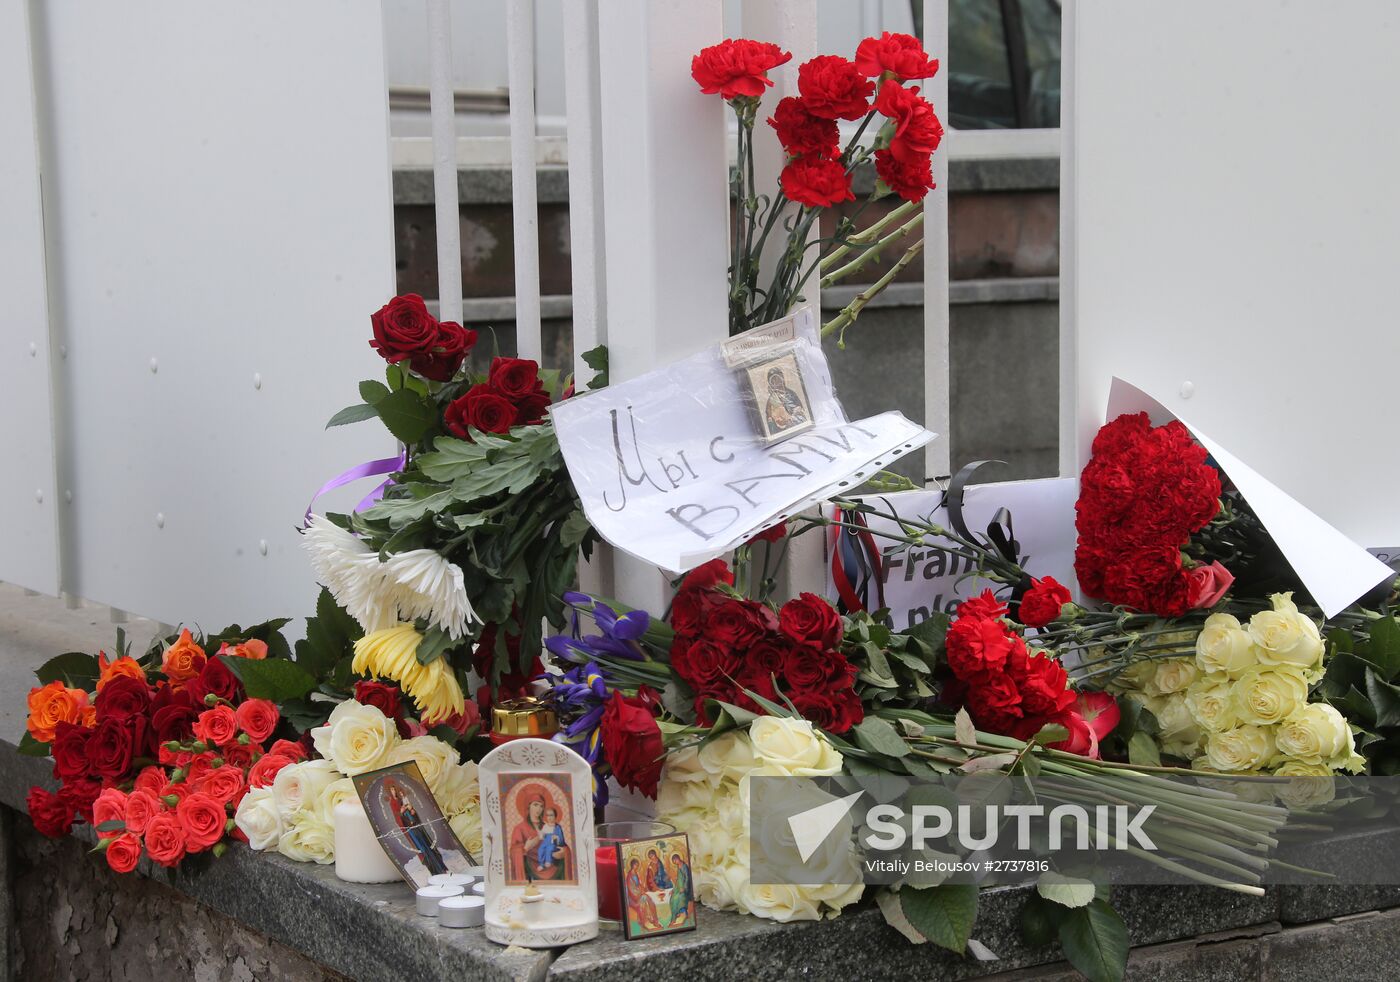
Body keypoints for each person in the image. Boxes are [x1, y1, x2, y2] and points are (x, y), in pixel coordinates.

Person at [386, 781, 447, 877]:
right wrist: (401, 812)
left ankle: (441, 867)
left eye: (394, 789)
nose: (394, 791)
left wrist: (412, 810)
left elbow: (410, 808)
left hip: (415, 824)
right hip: (409, 828)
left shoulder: (401, 799)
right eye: (391, 790)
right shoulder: (392, 803)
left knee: (427, 844)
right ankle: (434, 870)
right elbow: (397, 816)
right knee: (422, 848)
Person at [763, 366, 807, 433]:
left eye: (779, 378)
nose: (778, 382)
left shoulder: (791, 394)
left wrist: (797, 412)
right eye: (774, 380)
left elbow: (801, 410)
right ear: (771, 383)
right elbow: (772, 424)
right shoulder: (771, 402)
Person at [624, 857, 661, 930]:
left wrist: (643, 889)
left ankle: (655, 920)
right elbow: (631, 889)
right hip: (633, 898)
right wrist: (640, 893)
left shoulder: (636, 873)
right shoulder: (629, 876)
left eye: (637, 865)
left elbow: (638, 885)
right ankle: (644, 922)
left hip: (639, 894)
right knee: (643, 900)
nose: (637, 866)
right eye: (635, 865)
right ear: (632, 865)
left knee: (650, 900)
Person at [534, 806, 567, 871]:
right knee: (540, 849)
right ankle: (541, 864)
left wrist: (556, 838)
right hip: (545, 842)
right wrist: (540, 832)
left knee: (549, 848)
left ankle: (548, 861)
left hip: (553, 843)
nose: (549, 817)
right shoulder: (545, 826)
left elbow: (561, 839)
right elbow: (542, 836)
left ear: (555, 816)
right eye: (548, 815)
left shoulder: (557, 827)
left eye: (551, 815)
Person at [668, 851, 692, 926]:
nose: (675, 862)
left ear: (678, 858)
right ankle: (679, 912)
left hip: (685, 889)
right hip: (679, 888)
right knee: (672, 898)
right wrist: (673, 890)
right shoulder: (679, 867)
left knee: (678, 899)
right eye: (673, 862)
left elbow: (687, 878)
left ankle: (674, 918)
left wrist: (684, 888)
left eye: (675, 860)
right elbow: (678, 880)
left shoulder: (684, 867)